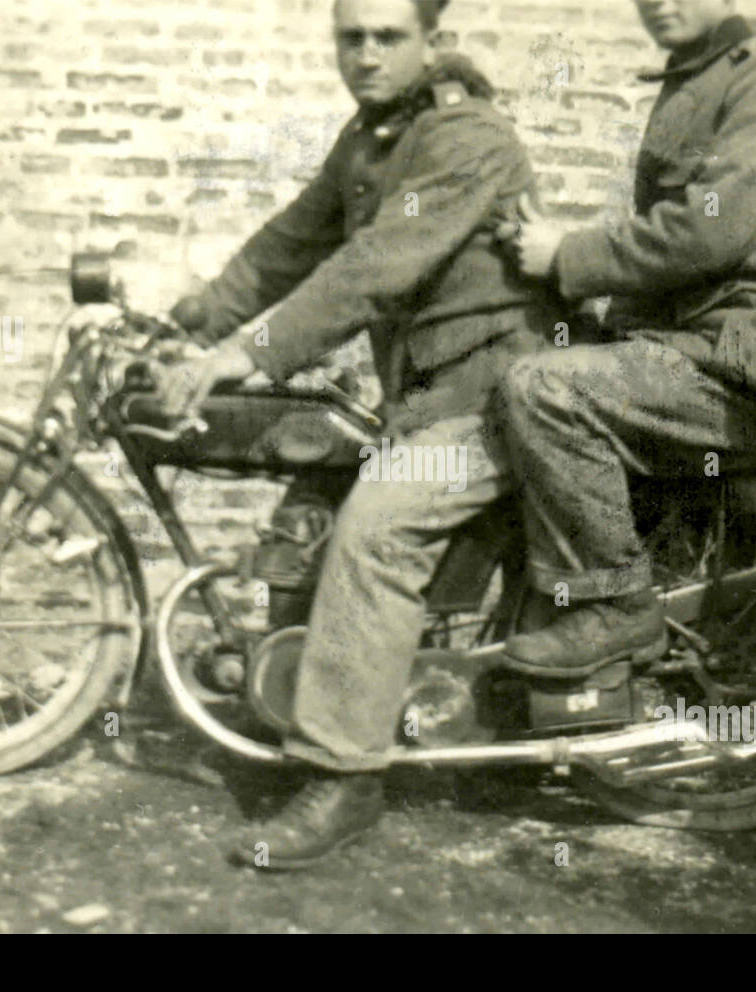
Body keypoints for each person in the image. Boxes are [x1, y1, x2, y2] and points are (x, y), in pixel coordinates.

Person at [160, 0, 562, 868]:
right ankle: (312, 700)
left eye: (389, 36)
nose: (368, 54)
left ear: (430, 42)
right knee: (313, 486)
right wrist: (194, 324)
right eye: (353, 37)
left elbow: (375, 268)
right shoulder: (372, 136)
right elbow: (291, 243)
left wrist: (248, 352)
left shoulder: (466, 136)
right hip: (425, 396)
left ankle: (346, 777)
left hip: (494, 391)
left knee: (373, 537)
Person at [493, 0, 756, 677]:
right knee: (539, 351)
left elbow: (710, 231)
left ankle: (618, 611)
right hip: (697, 349)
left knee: (544, 390)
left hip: (752, 364)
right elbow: (672, 264)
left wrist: (568, 255)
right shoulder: (691, 83)